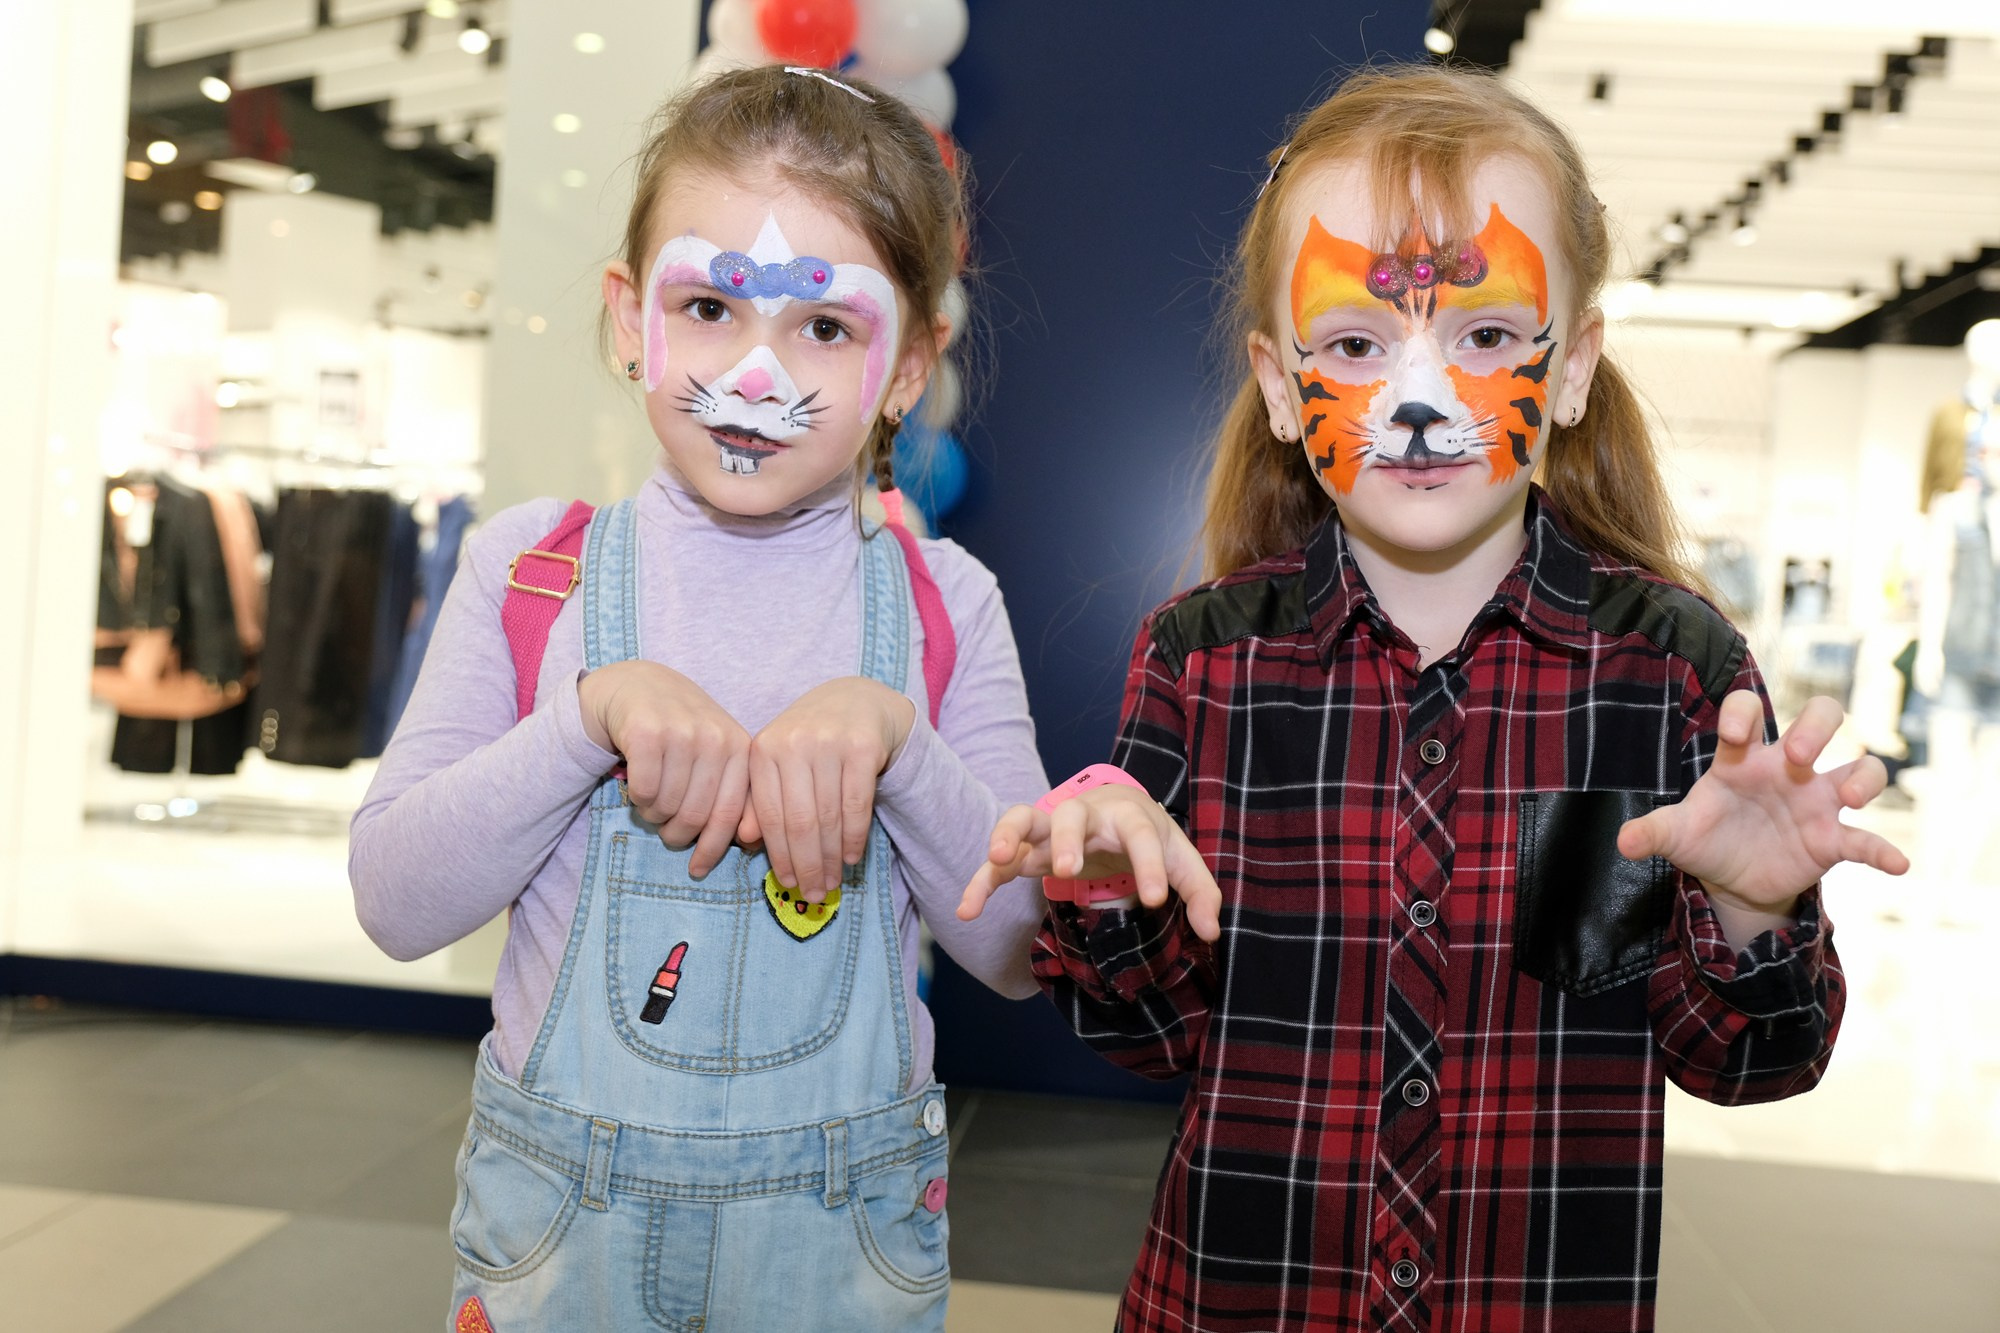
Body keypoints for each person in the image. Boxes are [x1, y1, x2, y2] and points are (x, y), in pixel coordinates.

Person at [959, 66, 1908, 1333]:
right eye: (1355, 344)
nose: (1421, 403)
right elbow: (1147, 1038)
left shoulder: (1669, 669)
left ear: (1570, 368)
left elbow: (1749, 1063)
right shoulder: (1201, 660)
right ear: (1281, 386)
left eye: (1485, 337)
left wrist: (1748, 910)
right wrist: (1102, 893)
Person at [351, 64, 1047, 1332]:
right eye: (710, 306)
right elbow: (395, 903)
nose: (756, 376)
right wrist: (578, 721)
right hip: (558, 1248)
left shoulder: (947, 605)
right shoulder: (528, 572)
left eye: (825, 328)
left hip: (835, 1254)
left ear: (908, 366)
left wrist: (899, 747)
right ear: (631, 319)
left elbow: (1017, 951)